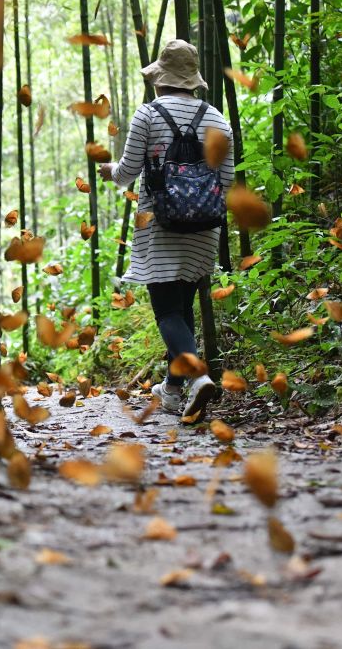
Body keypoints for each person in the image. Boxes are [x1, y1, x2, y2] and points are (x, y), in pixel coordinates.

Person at [98, 39, 234, 421]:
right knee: (182, 306)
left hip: (160, 223)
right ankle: (172, 390)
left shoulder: (148, 115)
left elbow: (127, 172)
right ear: (193, 80)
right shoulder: (217, 119)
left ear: (160, 79)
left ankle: (197, 375)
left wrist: (110, 171)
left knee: (166, 310)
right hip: (205, 225)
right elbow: (226, 179)